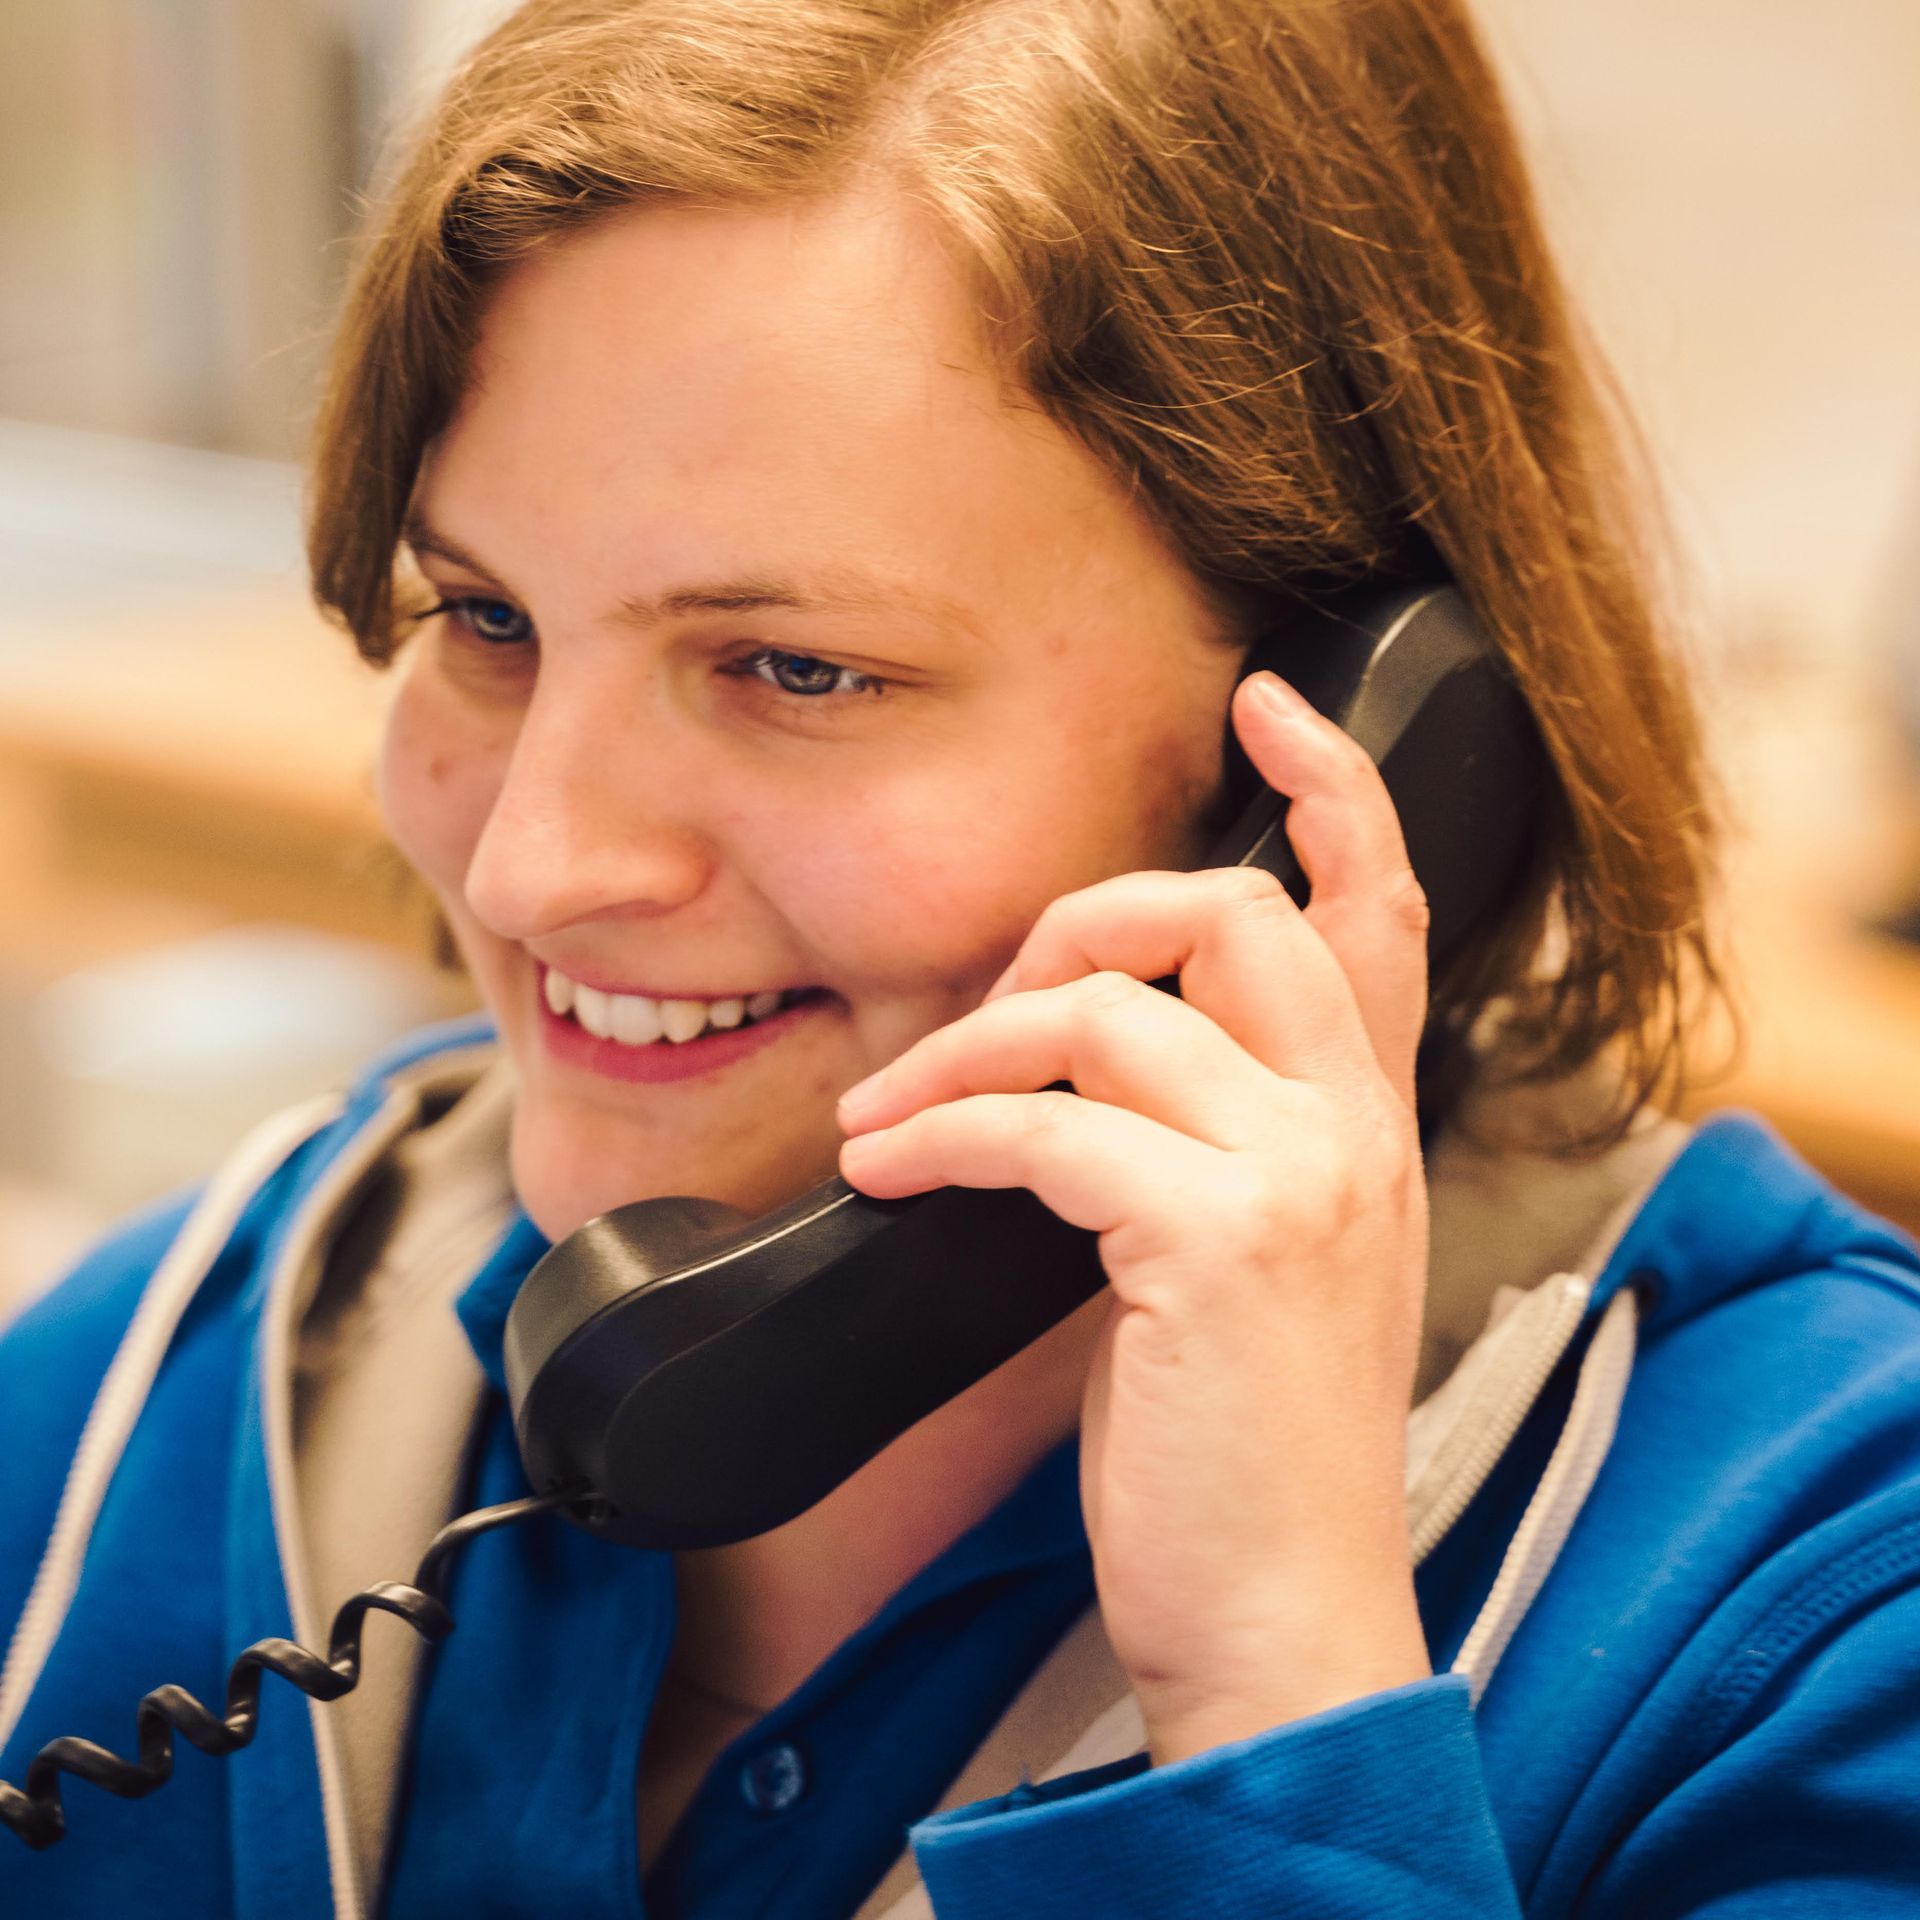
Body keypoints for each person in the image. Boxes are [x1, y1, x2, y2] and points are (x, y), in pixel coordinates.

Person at [4, 0, 1920, 1913]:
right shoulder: (182, 1381)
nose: (530, 867)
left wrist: (1279, 1713)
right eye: (487, 618)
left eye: (801, 669)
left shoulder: (1824, 1607)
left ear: (1383, 746)